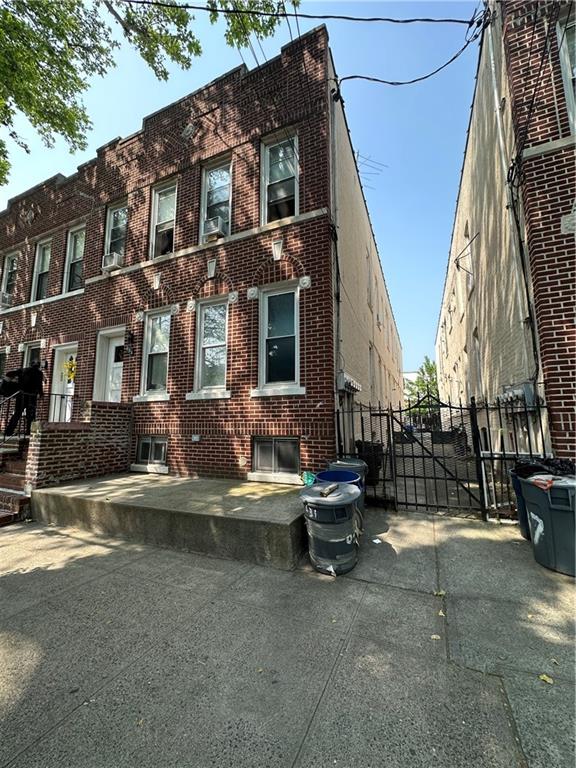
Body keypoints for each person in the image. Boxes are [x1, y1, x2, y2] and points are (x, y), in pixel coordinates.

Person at [4, 361, 44, 436]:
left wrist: (8, 382)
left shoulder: (23, 370)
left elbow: (9, 374)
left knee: (17, 414)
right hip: (32, 396)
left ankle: (8, 432)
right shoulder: (39, 373)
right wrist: (41, 394)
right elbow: (39, 385)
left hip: (21, 395)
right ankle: (29, 432)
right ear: (38, 366)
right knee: (30, 416)